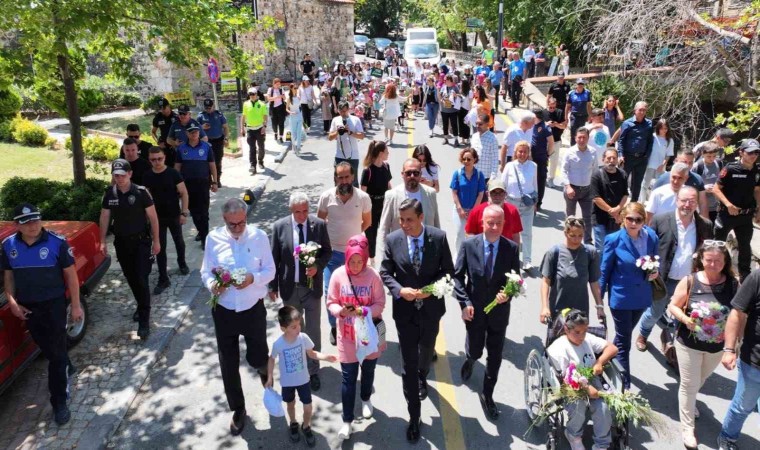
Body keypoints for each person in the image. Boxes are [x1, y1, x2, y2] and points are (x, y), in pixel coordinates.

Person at [380, 199, 455, 443]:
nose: (404, 224)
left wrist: (431, 289)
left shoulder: (439, 238)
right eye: (401, 220)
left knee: (426, 351)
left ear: (421, 217)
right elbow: (385, 272)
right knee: (407, 365)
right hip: (405, 314)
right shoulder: (393, 240)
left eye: (409, 220)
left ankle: (423, 374)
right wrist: (400, 290)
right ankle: (414, 416)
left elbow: (448, 273)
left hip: (431, 312)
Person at [1, 203, 83, 425]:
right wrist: (12, 302)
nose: (33, 225)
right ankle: (65, 361)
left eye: (36, 220)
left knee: (54, 357)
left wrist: (76, 305)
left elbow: (71, 276)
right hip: (28, 308)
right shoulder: (8, 246)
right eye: (26, 222)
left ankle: (59, 402)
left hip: (54, 305)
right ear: (17, 225)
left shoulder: (57, 243)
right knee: (46, 347)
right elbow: (8, 277)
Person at [200, 198, 275, 436]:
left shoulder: (259, 237)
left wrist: (253, 278)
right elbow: (205, 271)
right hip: (224, 310)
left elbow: (270, 270)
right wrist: (213, 285)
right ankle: (239, 409)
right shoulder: (213, 239)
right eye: (232, 224)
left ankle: (266, 376)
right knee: (228, 362)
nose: (237, 228)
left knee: (258, 355)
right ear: (224, 220)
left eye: (241, 223)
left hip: (253, 308)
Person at [667, 242, 736, 449]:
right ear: (701, 260)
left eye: (718, 261)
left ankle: (689, 402)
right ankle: (687, 428)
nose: (713, 264)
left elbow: (738, 313)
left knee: (700, 379)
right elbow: (672, 305)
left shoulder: (733, 284)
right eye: (709, 260)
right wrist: (685, 319)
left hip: (717, 347)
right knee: (689, 384)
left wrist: (735, 344)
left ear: (725, 262)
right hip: (688, 343)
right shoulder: (690, 281)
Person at [454, 205, 520, 419]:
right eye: (489, 223)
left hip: (499, 314)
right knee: (475, 349)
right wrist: (464, 304)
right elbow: (457, 277)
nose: (493, 227)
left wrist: (508, 294)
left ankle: (487, 394)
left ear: (504, 224)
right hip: (475, 311)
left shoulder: (511, 249)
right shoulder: (468, 245)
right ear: (482, 223)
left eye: (498, 223)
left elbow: (515, 279)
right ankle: (471, 359)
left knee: (495, 356)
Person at [637, 186, 713, 352]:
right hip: (663, 279)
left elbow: (708, 252)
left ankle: (677, 346)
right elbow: (647, 247)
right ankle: (643, 333)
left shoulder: (705, 225)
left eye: (692, 201)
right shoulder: (660, 220)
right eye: (684, 200)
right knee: (655, 312)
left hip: (689, 282)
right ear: (677, 201)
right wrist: (648, 271)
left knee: (684, 315)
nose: (687, 205)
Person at [269, 191, 332, 390]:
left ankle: (313, 371)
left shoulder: (319, 225)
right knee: (296, 331)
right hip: (290, 289)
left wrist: (318, 266)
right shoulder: (279, 227)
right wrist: (273, 286)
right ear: (291, 210)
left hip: (311, 289)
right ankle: (298, 366)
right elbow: (274, 259)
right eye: (298, 212)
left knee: (312, 331)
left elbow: (327, 251)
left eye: (305, 211)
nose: (302, 216)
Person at [327, 235, 387, 440]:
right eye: (352, 261)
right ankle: (347, 421)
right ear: (346, 258)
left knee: (368, 370)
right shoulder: (337, 275)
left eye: (359, 261)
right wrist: (341, 312)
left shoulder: (373, 277)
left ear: (365, 258)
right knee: (348, 378)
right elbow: (331, 301)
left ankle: (366, 398)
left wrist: (365, 311)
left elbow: (380, 303)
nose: (355, 265)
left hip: (368, 336)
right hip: (347, 337)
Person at [599, 202, 659, 388]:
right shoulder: (614, 239)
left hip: (641, 298)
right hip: (621, 298)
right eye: (629, 219)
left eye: (638, 219)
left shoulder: (651, 238)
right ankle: (624, 386)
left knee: (622, 336)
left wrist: (655, 271)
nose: (633, 223)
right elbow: (604, 271)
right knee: (625, 343)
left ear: (644, 220)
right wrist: (598, 301)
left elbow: (656, 261)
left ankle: (602, 359)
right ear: (623, 219)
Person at [99, 159, 160, 340]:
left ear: (130, 174)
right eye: (116, 175)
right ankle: (141, 304)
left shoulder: (141, 193)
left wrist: (156, 241)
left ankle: (144, 319)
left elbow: (154, 219)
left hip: (141, 243)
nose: (119, 179)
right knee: (131, 278)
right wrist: (102, 241)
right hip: (122, 243)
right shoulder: (110, 194)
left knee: (141, 278)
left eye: (122, 175)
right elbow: (104, 218)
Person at [265, 305, 337, 446]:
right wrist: (269, 377)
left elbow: (312, 353)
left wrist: (326, 357)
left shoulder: (303, 338)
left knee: (308, 407)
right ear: (283, 328)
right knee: (290, 404)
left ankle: (306, 426)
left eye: (299, 325)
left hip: (304, 380)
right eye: (293, 327)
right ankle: (293, 423)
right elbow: (271, 358)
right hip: (287, 383)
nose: (298, 329)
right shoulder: (278, 344)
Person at [317, 162, 372, 345]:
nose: (344, 180)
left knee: (357, 291)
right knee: (330, 292)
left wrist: (353, 240)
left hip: (354, 255)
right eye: (340, 177)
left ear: (353, 177)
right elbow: (319, 222)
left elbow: (367, 223)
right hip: (331, 254)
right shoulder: (326, 197)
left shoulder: (363, 197)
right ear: (336, 178)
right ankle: (334, 326)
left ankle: (357, 324)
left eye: (347, 176)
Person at [547, 310, 617, 450]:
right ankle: (573, 434)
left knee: (603, 407)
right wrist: (586, 389)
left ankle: (601, 444)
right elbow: (565, 379)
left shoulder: (587, 339)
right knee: (579, 407)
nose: (582, 336)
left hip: (590, 378)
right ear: (567, 329)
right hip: (569, 385)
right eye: (577, 332)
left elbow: (612, 348)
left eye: (584, 331)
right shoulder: (560, 348)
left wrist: (599, 362)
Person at [718, 268, 760, 449]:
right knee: (743, 405)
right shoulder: (758, 277)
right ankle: (727, 436)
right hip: (754, 361)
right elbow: (737, 313)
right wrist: (729, 349)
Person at [143, 146, 190, 295]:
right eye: (153, 160)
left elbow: (184, 193)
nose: (157, 162)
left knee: (179, 241)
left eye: (159, 159)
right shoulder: (147, 176)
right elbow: (146, 198)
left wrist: (184, 212)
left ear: (164, 158)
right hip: (157, 218)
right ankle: (163, 277)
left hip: (174, 215)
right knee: (160, 247)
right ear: (149, 160)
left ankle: (182, 263)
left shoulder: (173, 173)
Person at [712, 138, 760, 282]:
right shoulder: (730, 168)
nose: (754, 155)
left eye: (756, 152)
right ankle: (718, 272)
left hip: (746, 215)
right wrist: (728, 205)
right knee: (718, 244)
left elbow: (757, 189)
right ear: (741, 152)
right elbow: (715, 189)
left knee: (745, 246)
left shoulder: (757, 170)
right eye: (750, 152)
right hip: (727, 214)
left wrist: (759, 208)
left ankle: (745, 277)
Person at [540, 217, 603, 322]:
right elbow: (545, 282)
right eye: (572, 235)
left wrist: (600, 306)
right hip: (558, 311)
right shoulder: (554, 252)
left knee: (578, 337)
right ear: (565, 233)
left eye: (580, 236)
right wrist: (545, 307)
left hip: (580, 313)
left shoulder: (590, 253)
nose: (577, 239)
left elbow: (594, 282)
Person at [378, 158, 441, 251]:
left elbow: (436, 225)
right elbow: (384, 228)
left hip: (427, 251)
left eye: (415, 173)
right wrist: (385, 255)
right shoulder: (391, 195)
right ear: (402, 174)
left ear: (420, 174)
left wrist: (438, 251)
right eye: (408, 173)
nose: (412, 176)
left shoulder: (431, 193)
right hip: (400, 252)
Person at [174, 123, 218, 249]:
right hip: (187, 185)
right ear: (187, 134)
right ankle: (201, 231)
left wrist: (215, 182)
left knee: (204, 212)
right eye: (191, 132)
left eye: (196, 132)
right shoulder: (182, 148)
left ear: (199, 133)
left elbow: (212, 165)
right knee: (193, 211)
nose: (194, 134)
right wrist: (176, 185)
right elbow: (177, 167)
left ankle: (205, 238)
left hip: (203, 184)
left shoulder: (206, 147)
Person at [502, 141, 538, 269]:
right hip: (511, 203)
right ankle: (512, 257)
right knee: (511, 232)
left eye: (525, 152)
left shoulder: (533, 166)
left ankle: (527, 260)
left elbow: (535, 186)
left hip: (527, 204)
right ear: (516, 153)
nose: (522, 154)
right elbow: (503, 184)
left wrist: (535, 203)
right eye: (520, 151)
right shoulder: (509, 166)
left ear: (528, 153)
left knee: (527, 233)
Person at [652, 149, 709, 219]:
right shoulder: (663, 179)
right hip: (665, 221)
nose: (687, 165)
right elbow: (653, 203)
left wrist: (705, 223)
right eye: (684, 162)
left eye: (690, 162)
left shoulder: (697, 179)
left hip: (688, 220)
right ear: (676, 161)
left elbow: (703, 203)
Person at [562, 128, 596, 244]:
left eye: (584, 137)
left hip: (587, 190)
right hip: (572, 189)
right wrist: (568, 186)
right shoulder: (569, 152)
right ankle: (569, 239)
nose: (581, 140)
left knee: (588, 217)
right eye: (579, 137)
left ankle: (587, 241)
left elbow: (595, 171)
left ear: (588, 138)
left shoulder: (593, 152)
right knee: (570, 217)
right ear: (575, 138)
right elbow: (564, 171)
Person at [590, 149, 628, 252]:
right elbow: (596, 198)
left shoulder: (623, 174)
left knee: (613, 247)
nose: (611, 160)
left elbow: (625, 195)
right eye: (608, 158)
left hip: (616, 220)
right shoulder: (596, 175)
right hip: (599, 218)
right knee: (601, 248)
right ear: (603, 159)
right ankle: (598, 268)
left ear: (617, 160)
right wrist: (613, 212)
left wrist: (619, 208)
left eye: (614, 158)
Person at [360, 141, 393, 261]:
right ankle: (371, 259)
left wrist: (393, 198)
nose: (388, 153)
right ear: (380, 153)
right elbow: (362, 192)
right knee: (371, 235)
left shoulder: (386, 166)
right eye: (386, 152)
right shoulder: (368, 171)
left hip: (384, 205)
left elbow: (389, 185)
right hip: (371, 207)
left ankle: (388, 258)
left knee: (386, 232)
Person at [615, 101, 654, 202]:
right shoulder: (627, 123)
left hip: (642, 158)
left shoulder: (649, 124)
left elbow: (650, 141)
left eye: (644, 110)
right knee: (622, 180)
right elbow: (621, 140)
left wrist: (647, 155)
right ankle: (619, 203)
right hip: (628, 157)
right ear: (635, 111)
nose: (642, 112)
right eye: (640, 110)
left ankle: (634, 204)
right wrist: (620, 155)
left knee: (637, 183)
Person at [465, 179, 522, 245]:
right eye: (493, 193)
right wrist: (477, 248)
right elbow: (469, 233)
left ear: (505, 194)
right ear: (487, 194)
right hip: (483, 251)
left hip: (506, 252)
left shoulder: (513, 211)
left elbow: (515, 235)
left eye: (501, 193)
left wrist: (515, 253)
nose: (497, 196)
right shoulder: (476, 211)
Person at [451, 148, 487, 253]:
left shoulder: (479, 175)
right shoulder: (457, 174)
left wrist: (474, 210)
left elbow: (481, 193)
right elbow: (454, 192)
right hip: (459, 210)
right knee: (460, 234)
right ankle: (458, 257)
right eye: (464, 159)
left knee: (472, 235)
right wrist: (459, 209)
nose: (466, 161)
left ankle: (470, 257)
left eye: (469, 159)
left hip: (474, 211)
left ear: (474, 160)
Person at [329, 101, 365, 186]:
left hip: (353, 156)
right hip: (339, 156)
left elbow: (362, 136)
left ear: (348, 109)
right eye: (341, 111)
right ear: (338, 110)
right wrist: (337, 132)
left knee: (354, 182)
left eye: (345, 111)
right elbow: (330, 137)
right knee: (338, 182)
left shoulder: (356, 120)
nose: (343, 113)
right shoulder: (335, 120)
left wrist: (350, 132)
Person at [640, 118, 674, 203]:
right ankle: (641, 202)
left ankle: (655, 203)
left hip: (661, 166)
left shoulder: (669, 140)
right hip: (649, 165)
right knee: (645, 184)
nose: (664, 130)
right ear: (658, 128)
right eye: (662, 128)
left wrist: (663, 165)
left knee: (658, 185)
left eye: (666, 128)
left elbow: (668, 155)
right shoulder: (652, 137)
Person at [197, 98, 229, 186]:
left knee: (218, 161)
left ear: (213, 106)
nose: (208, 109)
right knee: (206, 162)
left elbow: (225, 127)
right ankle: (209, 181)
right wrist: (201, 127)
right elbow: (195, 129)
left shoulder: (219, 115)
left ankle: (217, 180)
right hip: (206, 142)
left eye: (210, 107)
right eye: (206, 108)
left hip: (218, 141)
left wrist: (226, 138)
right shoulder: (200, 116)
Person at [693, 142, 724, 222]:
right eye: (709, 156)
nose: (712, 159)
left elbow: (723, 181)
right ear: (703, 154)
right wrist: (704, 188)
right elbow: (691, 185)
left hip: (716, 205)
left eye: (714, 156)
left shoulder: (719, 163)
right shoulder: (698, 166)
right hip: (702, 205)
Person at [531, 108, 554, 209]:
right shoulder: (532, 125)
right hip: (531, 157)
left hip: (540, 158)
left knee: (540, 180)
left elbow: (551, 143)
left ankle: (539, 202)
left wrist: (547, 154)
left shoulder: (545, 127)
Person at [242, 87, 268, 174]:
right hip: (250, 129)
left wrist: (264, 126)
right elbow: (243, 116)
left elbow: (265, 116)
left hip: (259, 128)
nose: (252, 96)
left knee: (261, 147)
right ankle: (253, 166)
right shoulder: (246, 104)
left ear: (256, 94)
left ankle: (260, 160)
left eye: (253, 94)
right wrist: (242, 128)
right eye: (250, 94)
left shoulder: (262, 104)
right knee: (252, 148)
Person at [471, 113, 500, 185]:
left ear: (487, 124)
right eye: (476, 123)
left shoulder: (492, 138)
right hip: (473, 175)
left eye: (480, 124)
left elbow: (495, 159)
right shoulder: (474, 136)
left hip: (485, 177)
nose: (477, 126)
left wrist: (492, 178)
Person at [546, 97, 567, 188]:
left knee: (554, 161)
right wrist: (546, 124)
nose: (552, 109)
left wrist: (556, 124)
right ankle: (542, 177)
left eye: (554, 107)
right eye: (550, 107)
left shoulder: (559, 112)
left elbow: (564, 126)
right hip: (544, 141)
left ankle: (551, 179)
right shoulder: (543, 112)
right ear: (548, 105)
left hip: (556, 140)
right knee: (543, 160)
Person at [565, 79, 592, 146]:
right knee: (573, 133)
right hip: (574, 116)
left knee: (583, 133)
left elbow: (588, 105)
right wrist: (565, 117)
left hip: (584, 116)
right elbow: (567, 106)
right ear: (576, 85)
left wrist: (590, 115)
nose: (580, 85)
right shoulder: (571, 93)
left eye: (581, 84)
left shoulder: (587, 93)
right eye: (579, 84)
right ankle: (573, 147)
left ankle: (582, 146)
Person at [439, 74, 461, 146]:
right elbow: (440, 96)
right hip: (444, 109)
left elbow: (460, 96)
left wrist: (456, 95)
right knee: (445, 124)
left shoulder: (455, 87)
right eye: (445, 80)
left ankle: (456, 139)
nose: (445, 81)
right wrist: (442, 101)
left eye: (446, 80)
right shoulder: (443, 87)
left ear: (450, 81)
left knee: (454, 125)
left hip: (453, 110)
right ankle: (445, 139)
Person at [286, 83, 305, 154]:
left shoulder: (298, 97)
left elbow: (300, 107)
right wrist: (291, 112)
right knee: (293, 133)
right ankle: (294, 147)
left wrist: (302, 116)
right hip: (293, 117)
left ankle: (298, 147)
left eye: (296, 88)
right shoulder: (289, 99)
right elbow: (286, 109)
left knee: (299, 132)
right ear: (291, 89)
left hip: (299, 116)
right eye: (294, 88)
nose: (296, 89)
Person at [267, 78, 287, 143]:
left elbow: (285, 98)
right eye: (277, 84)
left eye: (279, 84)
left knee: (281, 123)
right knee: (274, 123)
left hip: (281, 108)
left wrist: (282, 96)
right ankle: (275, 133)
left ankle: (281, 136)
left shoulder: (281, 89)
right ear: (274, 84)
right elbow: (269, 99)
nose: (278, 85)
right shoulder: (270, 90)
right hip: (273, 108)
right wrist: (276, 97)